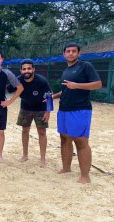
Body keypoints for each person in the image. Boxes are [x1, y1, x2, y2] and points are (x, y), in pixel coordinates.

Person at [53, 42, 102, 184]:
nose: (70, 53)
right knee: (64, 138)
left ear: (78, 53)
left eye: (74, 51)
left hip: (80, 109)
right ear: (64, 54)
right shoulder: (66, 70)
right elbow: (67, 89)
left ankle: (85, 176)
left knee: (80, 141)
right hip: (64, 109)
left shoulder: (85, 66)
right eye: (68, 51)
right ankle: (66, 168)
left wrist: (77, 85)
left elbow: (98, 84)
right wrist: (55, 96)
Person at [15, 59, 52, 167]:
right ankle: (25, 155)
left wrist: (48, 112)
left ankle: (43, 159)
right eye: (24, 69)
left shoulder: (41, 81)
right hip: (25, 108)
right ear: (21, 70)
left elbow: (49, 95)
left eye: (29, 68)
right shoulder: (18, 80)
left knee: (42, 133)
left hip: (40, 109)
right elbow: (8, 89)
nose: (27, 71)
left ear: (33, 69)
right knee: (25, 131)